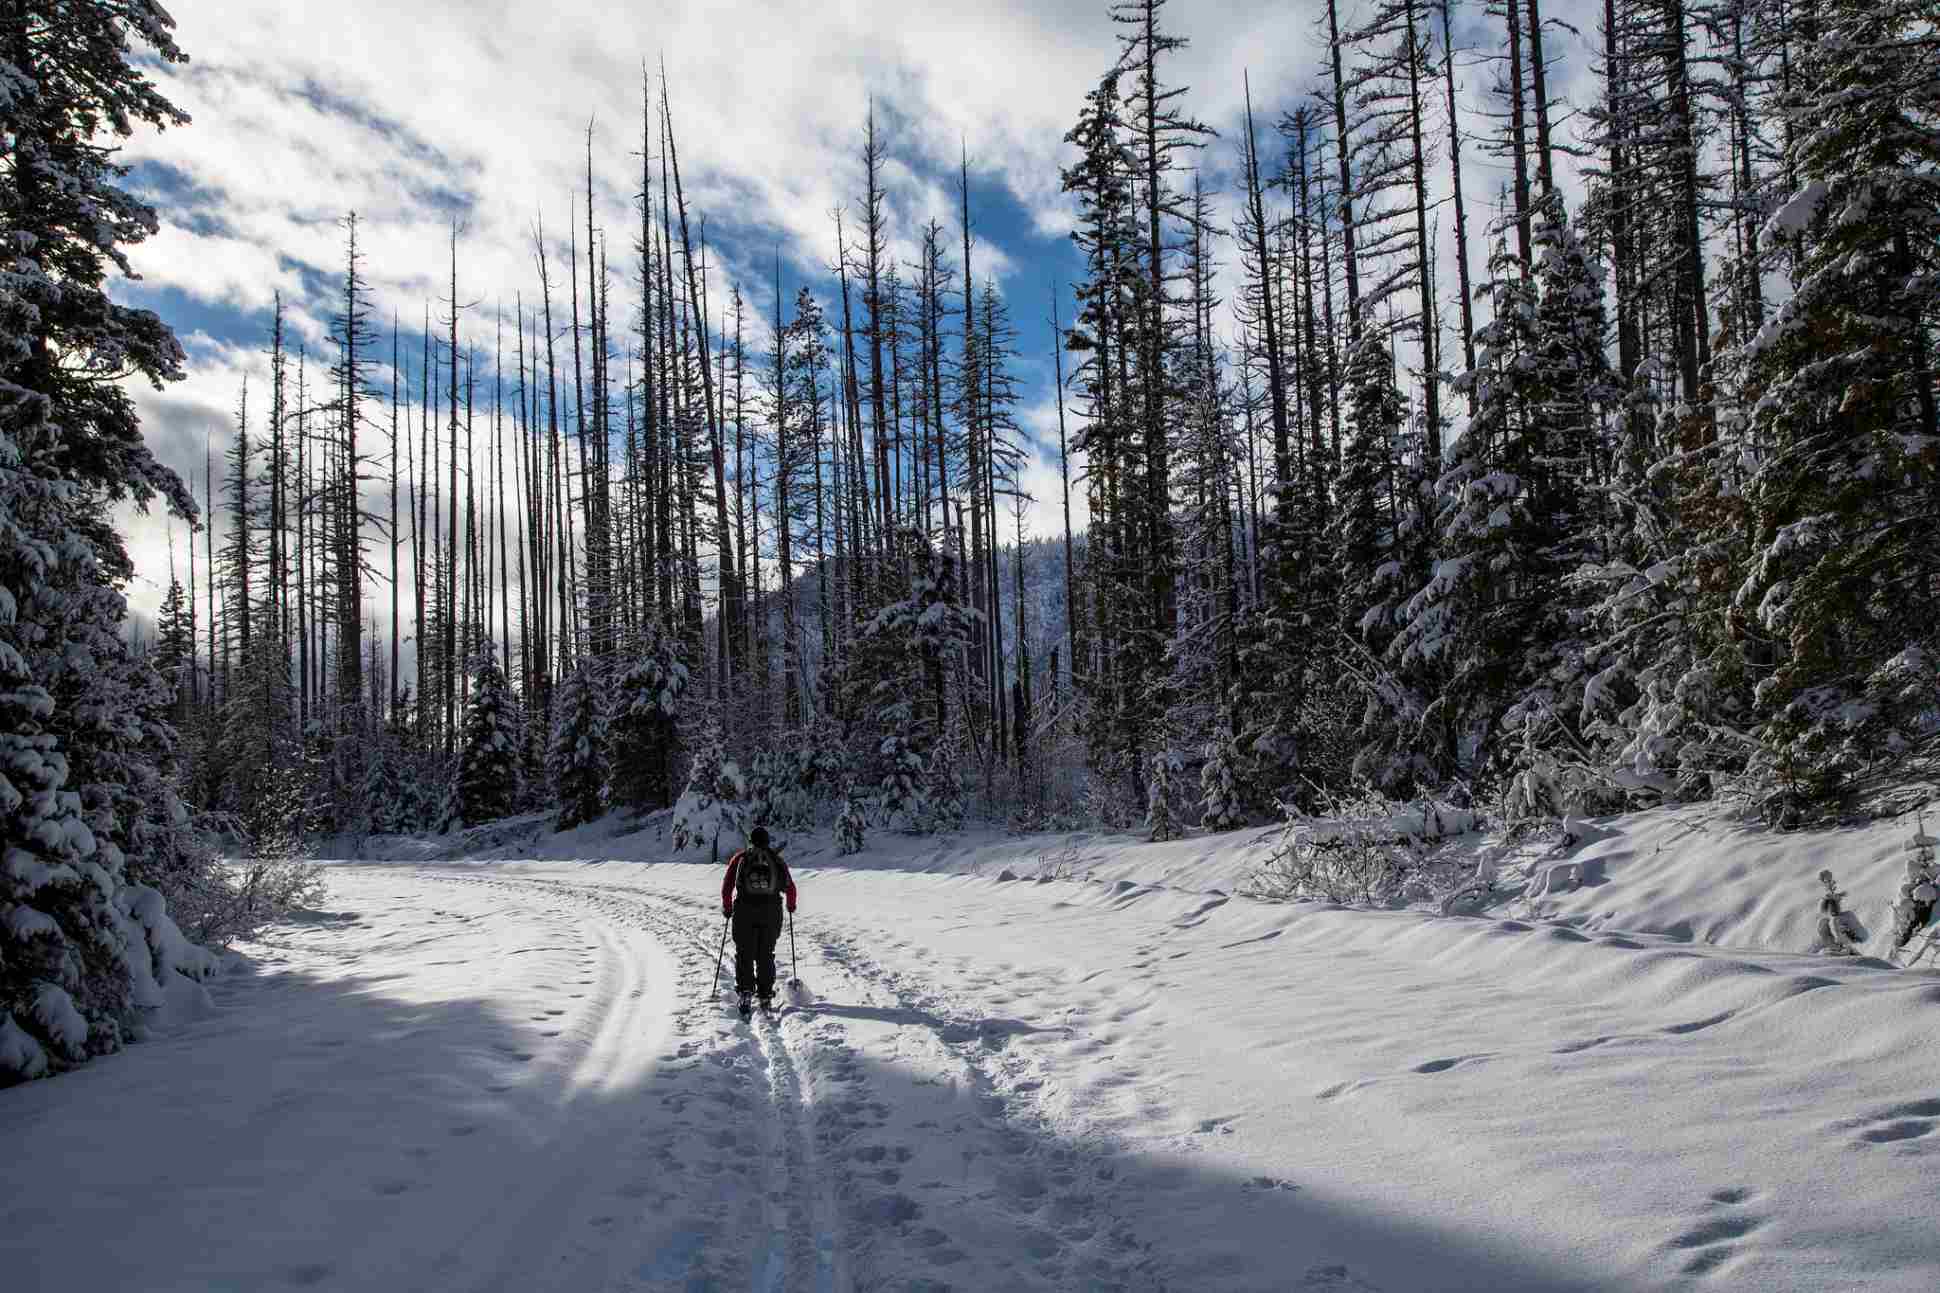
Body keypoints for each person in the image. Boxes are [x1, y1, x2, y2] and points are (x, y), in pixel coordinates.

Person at [722, 826, 796, 1016]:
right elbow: (790, 887)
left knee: (744, 952)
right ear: (767, 841)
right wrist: (791, 905)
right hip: (771, 911)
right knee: (766, 952)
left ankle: (746, 992)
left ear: (751, 841)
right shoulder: (776, 859)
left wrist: (728, 907)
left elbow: (727, 886)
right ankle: (765, 995)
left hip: (744, 910)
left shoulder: (740, 858)